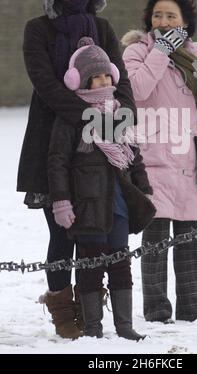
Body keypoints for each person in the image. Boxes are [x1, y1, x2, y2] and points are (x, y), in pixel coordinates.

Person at [17, 0, 137, 339]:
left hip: (100, 148)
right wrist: (87, 115)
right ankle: (62, 310)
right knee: (61, 233)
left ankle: (91, 308)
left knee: (96, 232)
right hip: (51, 142)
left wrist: (122, 114)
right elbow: (45, 83)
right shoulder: (38, 29)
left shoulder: (102, 28)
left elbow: (120, 79)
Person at [121, 0, 197, 325]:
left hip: (188, 158)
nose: (163, 22)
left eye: (171, 16)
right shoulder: (136, 52)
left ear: (185, 22)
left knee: (190, 238)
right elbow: (136, 90)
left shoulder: (196, 55)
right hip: (152, 157)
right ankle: (157, 310)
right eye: (157, 16)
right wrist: (160, 52)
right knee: (155, 239)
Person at [47, 37, 155, 340]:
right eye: (96, 77)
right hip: (87, 204)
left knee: (121, 263)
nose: (103, 81)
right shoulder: (72, 119)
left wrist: (143, 189)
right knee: (90, 265)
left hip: (119, 204)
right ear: (80, 80)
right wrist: (62, 202)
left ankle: (124, 326)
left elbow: (134, 157)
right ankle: (93, 327)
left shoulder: (120, 115)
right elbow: (57, 162)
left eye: (107, 75)